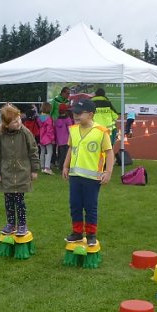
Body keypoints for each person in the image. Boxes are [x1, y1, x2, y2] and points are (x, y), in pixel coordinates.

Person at [62, 98, 114, 246]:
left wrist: (108, 172)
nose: (75, 116)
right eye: (74, 113)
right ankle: (77, 232)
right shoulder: (73, 130)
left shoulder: (101, 131)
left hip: (92, 178)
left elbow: (109, 153)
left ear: (90, 114)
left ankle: (91, 234)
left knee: (90, 207)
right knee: (75, 205)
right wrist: (65, 166)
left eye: (79, 113)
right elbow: (71, 149)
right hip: (75, 177)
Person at [0, 104, 39, 236]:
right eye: (15, 122)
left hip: (22, 172)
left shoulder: (25, 133)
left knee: (19, 201)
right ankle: (11, 224)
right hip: (6, 173)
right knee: (8, 200)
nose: (19, 123)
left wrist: (34, 169)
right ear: (6, 124)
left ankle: (22, 224)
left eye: (19, 119)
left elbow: (33, 150)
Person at [37, 102, 55, 175]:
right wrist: (52, 138)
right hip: (48, 138)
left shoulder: (39, 118)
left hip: (41, 137)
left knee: (42, 152)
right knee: (49, 152)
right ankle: (47, 168)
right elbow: (49, 130)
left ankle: (42, 167)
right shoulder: (49, 118)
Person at [54, 104, 71, 172]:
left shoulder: (56, 120)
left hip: (59, 140)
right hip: (67, 139)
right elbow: (70, 129)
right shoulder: (67, 119)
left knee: (61, 154)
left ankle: (60, 167)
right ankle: (66, 167)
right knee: (67, 155)